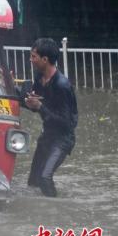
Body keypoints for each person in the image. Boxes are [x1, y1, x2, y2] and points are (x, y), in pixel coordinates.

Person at [21, 38, 78, 197]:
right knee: (33, 181)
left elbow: (68, 124)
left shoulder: (62, 86)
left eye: (33, 56)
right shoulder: (40, 78)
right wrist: (10, 85)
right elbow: (34, 104)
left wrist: (41, 108)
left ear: (45, 60)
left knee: (45, 179)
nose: (30, 60)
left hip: (62, 139)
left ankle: (57, 210)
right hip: (47, 135)